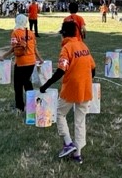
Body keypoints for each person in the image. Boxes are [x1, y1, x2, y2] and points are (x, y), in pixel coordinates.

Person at [40, 20, 96, 165]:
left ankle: (68, 143)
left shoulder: (67, 48)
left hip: (71, 88)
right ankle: (77, 154)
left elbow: (61, 70)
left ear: (64, 34)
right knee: (80, 121)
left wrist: (45, 85)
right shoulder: (83, 46)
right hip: (85, 89)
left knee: (59, 113)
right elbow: (93, 68)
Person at [0, 14, 43, 112]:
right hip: (31, 62)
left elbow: (14, 48)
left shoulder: (15, 33)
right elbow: (35, 48)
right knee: (27, 82)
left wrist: (4, 56)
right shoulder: (31, 33)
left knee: (18, 85)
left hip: (21, 62)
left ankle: (20, 107)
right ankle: (32, 106)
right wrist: (40, 58)